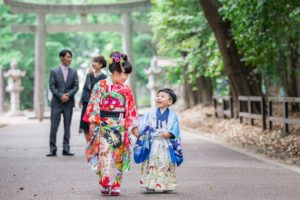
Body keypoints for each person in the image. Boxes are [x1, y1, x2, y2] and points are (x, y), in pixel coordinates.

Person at [83, 51, 139, 196]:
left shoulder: (126, 89)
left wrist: (133, 126)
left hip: (120, 125)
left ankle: (116, 184)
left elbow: (131, 108)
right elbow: (94, 104)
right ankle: (105, 180)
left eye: (127, 75)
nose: (126, 78)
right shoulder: (100, 85)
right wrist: (93, 122)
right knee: (104, 153)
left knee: (119, 154)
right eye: (124, 74)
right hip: (104, 125)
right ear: (114, 72)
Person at [135, 88, 183, 192]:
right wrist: (142, 130)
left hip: (166, 143)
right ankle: (150, 184)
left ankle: (167, 185)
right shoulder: (150, 113)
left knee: (165, 162)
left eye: (162, 96)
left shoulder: (173, 115)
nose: (159, 98)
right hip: (152, 142)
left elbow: (175, 129)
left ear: (170, 102)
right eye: (158, 96)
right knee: (151, 162)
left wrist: (170, 133)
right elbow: (143, 125)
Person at [47, 49, 79, 157]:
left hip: (68, 104)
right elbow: (51, 86)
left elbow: (76, 86)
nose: (69, 59)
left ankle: (66, 149)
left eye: (70, 57)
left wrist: (68, 95)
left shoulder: (73, 72)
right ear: (61, 58)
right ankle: (52, 149)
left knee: (67, 127)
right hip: (56, 103)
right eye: (67, 57)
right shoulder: (54, 71)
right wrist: (60, 95)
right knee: (54, 126)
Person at [79, 55, 107, 143]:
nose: (93, 63)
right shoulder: (89, 74)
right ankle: (89, 145)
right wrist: (81, 100)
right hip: (86, 102)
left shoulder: (104, 77)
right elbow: (85, 87)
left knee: (95, 125)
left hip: (96, 105)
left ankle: (95, 145)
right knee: (85, 125)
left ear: (101, 64)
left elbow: (96, 89)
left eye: (95, 62)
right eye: (93, 61)